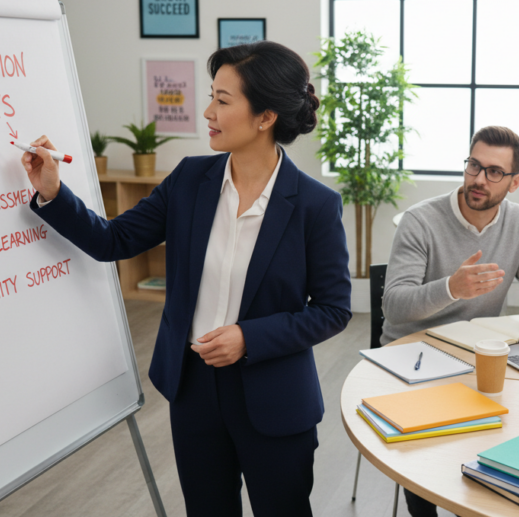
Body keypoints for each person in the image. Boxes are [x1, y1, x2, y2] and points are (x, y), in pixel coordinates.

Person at [21, 42, 350, 516]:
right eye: (211, 96)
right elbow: (113, 241)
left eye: (223, 100)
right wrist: (52, 191)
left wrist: (247, 337)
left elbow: (334, 309)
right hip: (193, 390)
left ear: (265, 117)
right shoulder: (190, 179)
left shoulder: (316, 205)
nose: (207, 111)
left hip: (274, 398)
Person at [381, 125, 519, 517]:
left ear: (515, 183)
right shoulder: (420, 220)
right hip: (413, 355)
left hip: (474, 355)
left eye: (494, 172)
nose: (479, 179)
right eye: (474, 166)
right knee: (425, 452)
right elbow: (394, 307)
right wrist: (451, 288)